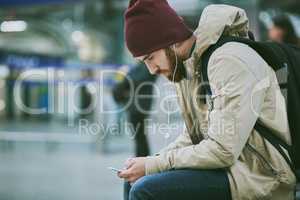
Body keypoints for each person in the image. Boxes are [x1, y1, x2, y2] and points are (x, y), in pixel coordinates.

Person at [118, 1, 296, 200]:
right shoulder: (188, 68)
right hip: (236, 166)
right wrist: (151, 161)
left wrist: (153, 165)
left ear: (170, 40)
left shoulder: (229, 60)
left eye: (150, 58)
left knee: (146, 189)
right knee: (133, 181)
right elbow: (193, 136)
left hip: (263, 174)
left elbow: (223, 149)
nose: (152, 70)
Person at [112, 64, 157, 156]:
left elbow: (135, 79)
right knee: (139, 135)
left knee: (139, 135)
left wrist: (125, 75)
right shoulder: (142, 67)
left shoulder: (145, 67)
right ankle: (141, 158)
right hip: (137, 105)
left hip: (138, 106)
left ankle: (142, 158)